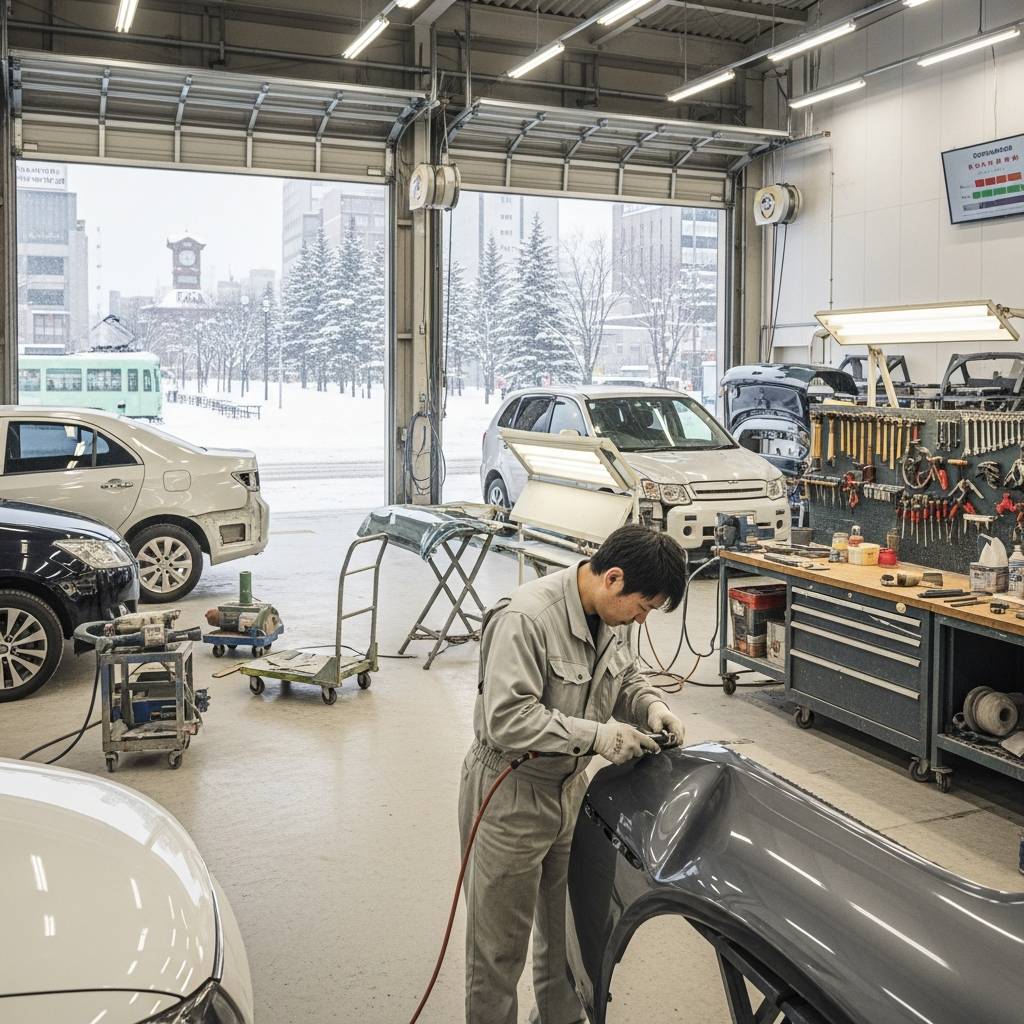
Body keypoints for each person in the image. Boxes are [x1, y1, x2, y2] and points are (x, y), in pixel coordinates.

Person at [458, 524, 688, 1024]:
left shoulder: (612, 616)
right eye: (643, 607)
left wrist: (650, 707)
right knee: (498, 950)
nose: (642, 620)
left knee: (567, 939)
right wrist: (599, 736)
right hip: (511, 791)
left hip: (570, 791)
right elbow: (507, 718)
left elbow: (624, 675)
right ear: (613, 578)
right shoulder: (527, 618)